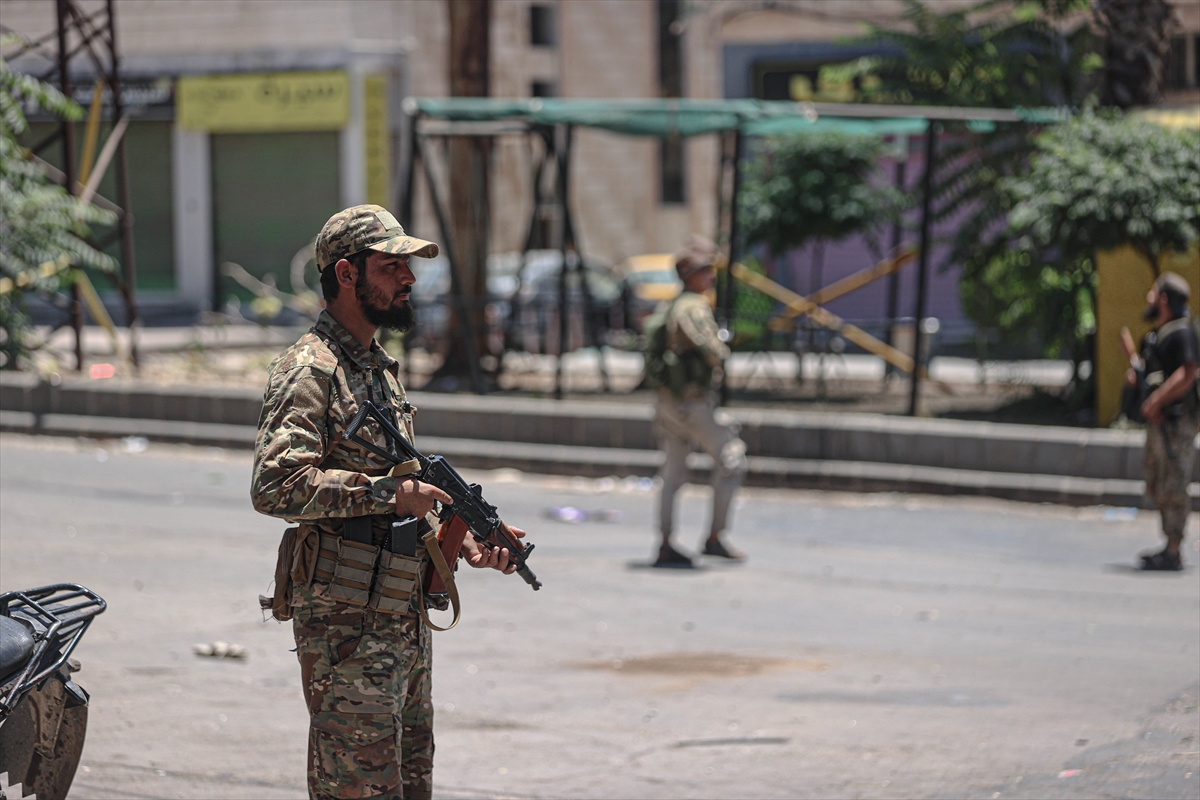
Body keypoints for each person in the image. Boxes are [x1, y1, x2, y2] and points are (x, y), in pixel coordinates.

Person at [251, 204, 521, 800]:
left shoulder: (378, 368)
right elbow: (274, 484)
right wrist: (387, 494)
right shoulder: (310, 369)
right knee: (358, 789)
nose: (409, 278)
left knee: (410, 784)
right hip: (347, 624)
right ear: (347, 274)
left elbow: (402, 486)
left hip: (402, 615)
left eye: (407, 266)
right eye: (391, 266)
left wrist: (464, 540)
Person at [650, 236, 748, 567]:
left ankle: (665, 543)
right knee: (732, 461)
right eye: (705, 271)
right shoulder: (693, 306)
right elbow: (711, 349)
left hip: (669, 402)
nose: (711, 277)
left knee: (672, 472)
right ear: (691, 276)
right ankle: (715, 537)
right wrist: (722, 349)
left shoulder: (670, 304)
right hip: (692, 403)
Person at [1121, 271, 1199, 571]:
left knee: (1175, 482)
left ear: (1164, 299)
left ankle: (1174, 549)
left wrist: (1157, 400)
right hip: (1159, 423)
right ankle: (1169, 545)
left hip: (1177, 423)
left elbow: (1188, 373)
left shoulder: (1182, 333)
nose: (1149, 298)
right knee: (1159, 481)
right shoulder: (1156, 336)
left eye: (1153, 292)